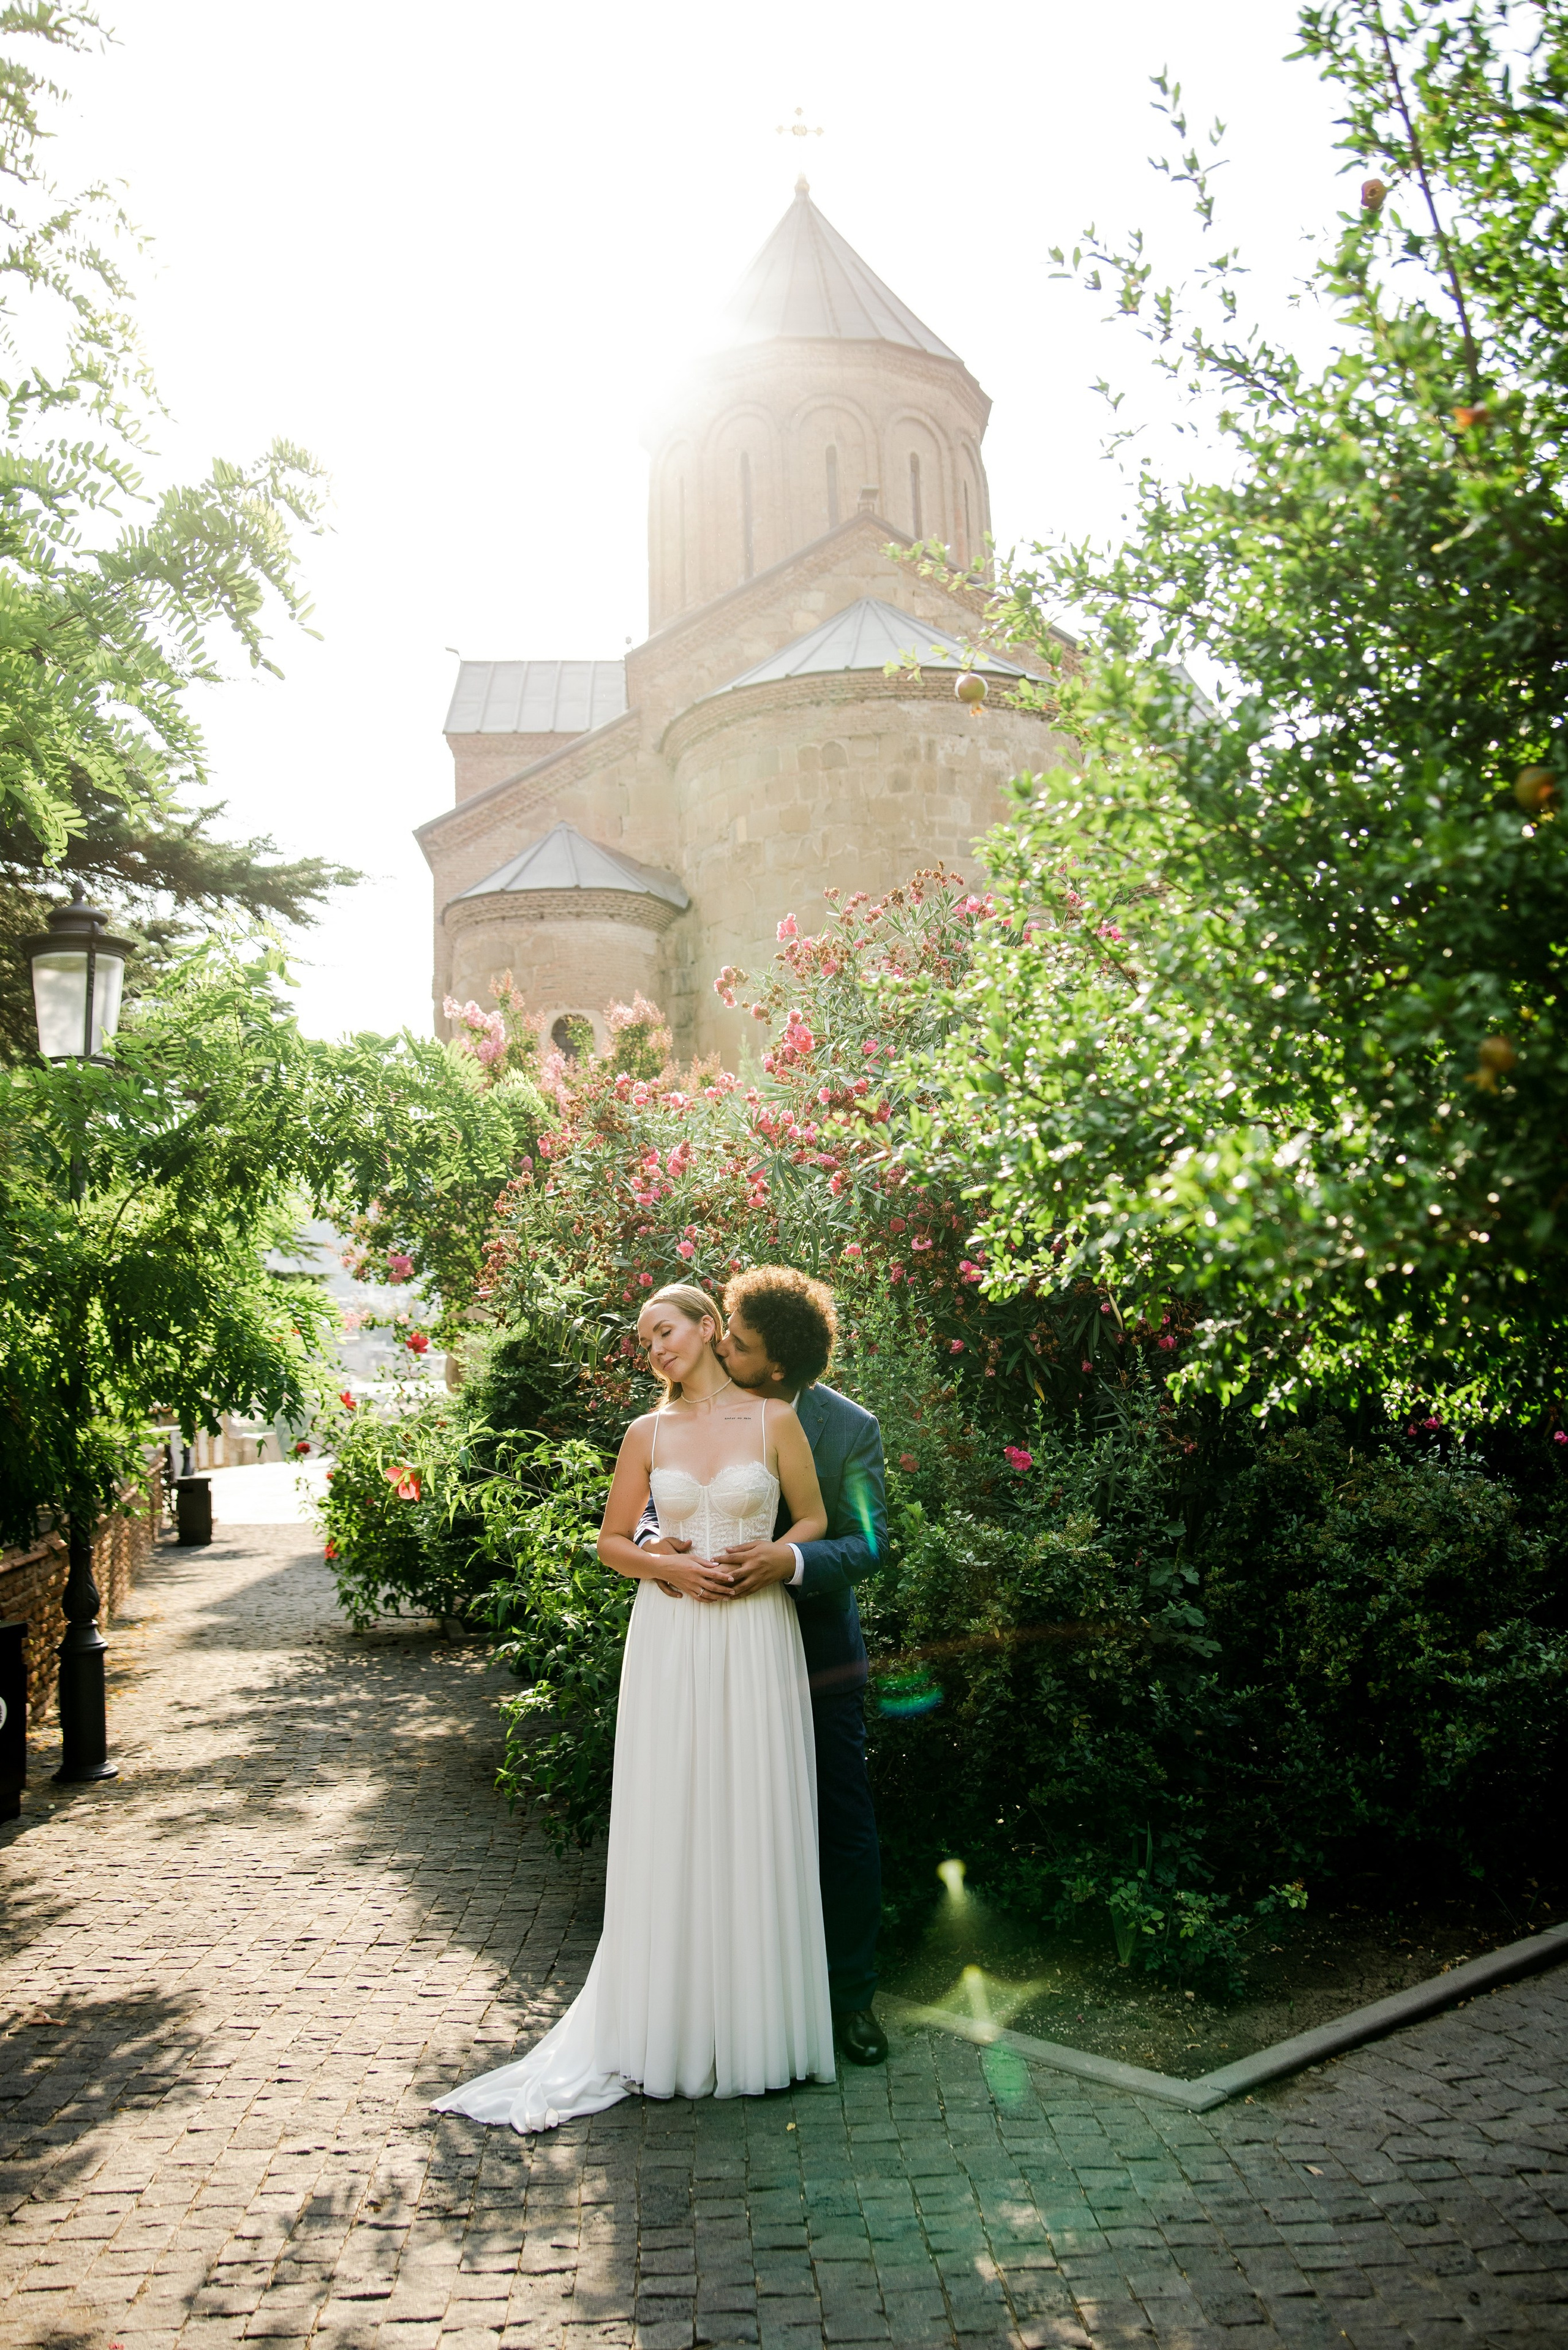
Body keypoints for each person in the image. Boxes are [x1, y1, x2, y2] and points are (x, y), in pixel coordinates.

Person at [432, 1281, 839, 2134]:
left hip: (755, 1634)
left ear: (706, 1327)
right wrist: (668, 1566)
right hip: (672, 1638)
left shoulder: (773, 1420)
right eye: (643, 1338)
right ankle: (671, 2032)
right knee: (677, 1816)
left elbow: (815, 1517)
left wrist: (771, 1557)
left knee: (748, 1814)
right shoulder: (644, 1433)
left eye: (665, 1329)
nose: (653, 1347)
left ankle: (759, 2034)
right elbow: (614, 1540)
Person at [640, 1266, 889, 2067]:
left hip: (815, 1655)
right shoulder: (685, 1408)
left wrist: (789, 1560)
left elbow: (869, 1544)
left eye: (738, 1342)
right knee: (717, 1816)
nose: (722, 1342)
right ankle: (727, 2000)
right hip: (710, 1646)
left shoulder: (849, 1429)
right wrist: (656, 1550)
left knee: (840, 1820)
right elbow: (656, 1504)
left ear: (774, 1366)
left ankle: (849, 2000)